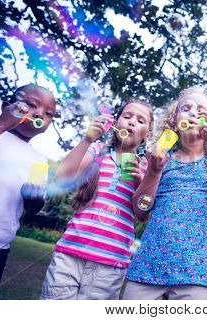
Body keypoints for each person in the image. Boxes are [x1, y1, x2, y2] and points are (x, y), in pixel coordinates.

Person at [123, 87, 207, 300]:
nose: (193, 112)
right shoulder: (161, 160)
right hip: (149, 263)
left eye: (201, 110)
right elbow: (140, 211)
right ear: (174, 121)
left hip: (197, 270)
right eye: (187, 108)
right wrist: (153, 172)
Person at [40, 100, 153, 300]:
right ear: (116, 123)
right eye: (127, 116)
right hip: (70, 253)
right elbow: (61, 179)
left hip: (110, 263)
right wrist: (86, 140)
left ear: (148, 134)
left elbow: (144, 215)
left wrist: (140, 183)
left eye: (140, 120)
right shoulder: (97, 151)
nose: (132, 122)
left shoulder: (146, 168)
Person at [0, 84, 56, 299]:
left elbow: (33, 208)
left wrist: (34, 200)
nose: (40, 113)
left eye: (48, 114)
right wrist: (1, 124)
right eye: (31, 104)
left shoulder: (38, 160)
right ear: (6, 107)